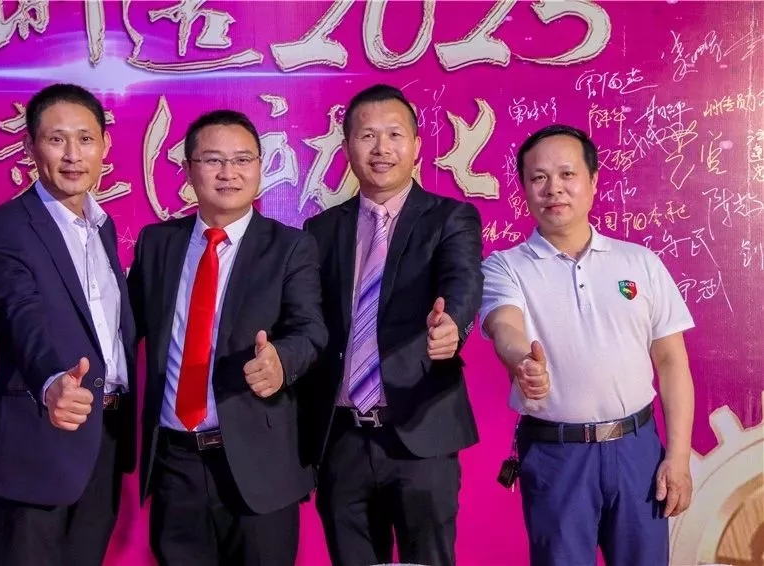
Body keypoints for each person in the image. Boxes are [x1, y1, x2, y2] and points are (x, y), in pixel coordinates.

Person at [480, 124, 695, 566]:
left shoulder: (640, 262)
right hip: (556, 455)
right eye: (539, 178)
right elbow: (505, 325)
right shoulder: (505, 266)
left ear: (593, 181)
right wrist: (522, 362)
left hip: (637, 450)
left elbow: (672, 362)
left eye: (567, 174)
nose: (553, 189)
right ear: (524, 188)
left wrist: (677, 457)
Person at [127, 109, 328, 566]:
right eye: (213, 160)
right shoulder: (157, 243)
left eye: (242, 160)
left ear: (259, 166)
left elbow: (311, 330)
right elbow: (126, 326)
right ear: (188, 169)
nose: (228, 173)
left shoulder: (290, 246)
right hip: (176, 463)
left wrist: (281, 362)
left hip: (259, 463)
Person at [301, 84, 484, 566]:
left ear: (417, 145)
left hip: (420, 431)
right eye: (367, 136)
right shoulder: (321, 230)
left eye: (394, 135)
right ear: (347, 148)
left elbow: (463, 283)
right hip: (342, 438)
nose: (381, 148)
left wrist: (453, 327)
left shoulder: (450, 217)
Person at [0, 83, 136, 566]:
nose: (72, 155)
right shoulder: (2, 229)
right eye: (56, 139)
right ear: (30, 146)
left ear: (104, 146)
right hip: (36, 445)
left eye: (85, 139)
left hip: (103, 441)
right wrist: (51, 381)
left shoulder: (102, 228)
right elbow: (21, 316)